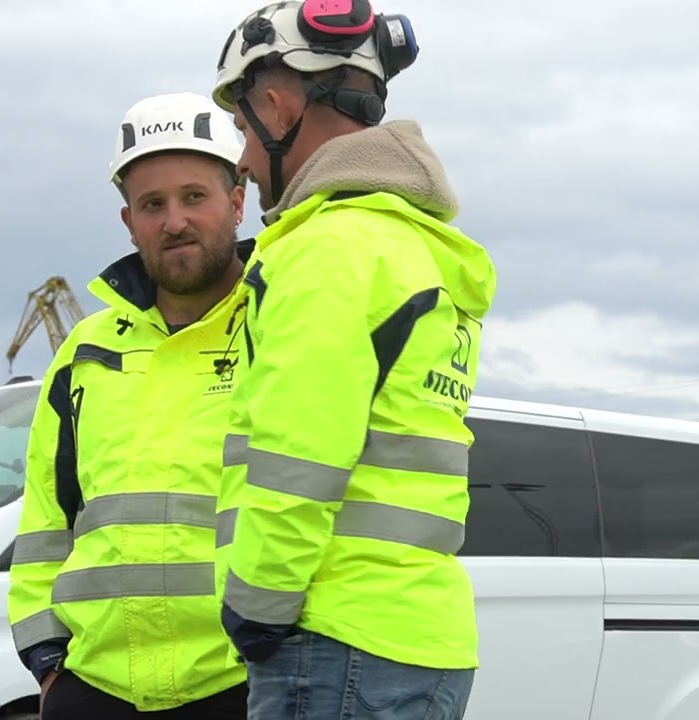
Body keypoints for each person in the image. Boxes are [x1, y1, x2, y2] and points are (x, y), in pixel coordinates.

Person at [206, 1, 498, 718]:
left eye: (242, 129)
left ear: (276, 108)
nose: (243, 160)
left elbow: (301, 453)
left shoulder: (327, 250)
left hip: (335, 638)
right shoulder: (413, 246)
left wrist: (256, 607)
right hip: (420, 638)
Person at [6, 92, 253, 720]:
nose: (174, 221)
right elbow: (45, 518)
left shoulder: (281, 326)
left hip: (247, 684)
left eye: (194, 196)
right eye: (153, 204)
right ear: (128, 221)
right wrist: (47, 662)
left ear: (237, 202)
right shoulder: (85, 352)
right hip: (94, 691)